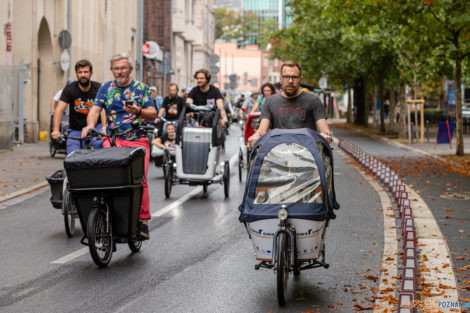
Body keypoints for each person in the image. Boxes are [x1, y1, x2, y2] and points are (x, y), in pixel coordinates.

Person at [82, 53, 157, 240]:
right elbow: (95, 110)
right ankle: (107, 213)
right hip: (113, 139)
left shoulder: (140, 88)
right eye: (116, 68)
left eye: (123, 68)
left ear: (130, 69)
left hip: (137, 140)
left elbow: (153, 113)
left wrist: (138, 111)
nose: (120, 71)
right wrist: (90, 125)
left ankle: (144, 222)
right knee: (107, 177)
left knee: (140, 180)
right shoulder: (106, 88)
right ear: (111, 70)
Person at [248, 61, 332, 147]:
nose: (290, 81)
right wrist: (256, 135)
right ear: (281, 79)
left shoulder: (313, 100)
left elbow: (325, 130)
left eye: (294, 77)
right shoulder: (270, 101)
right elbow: (262, 129)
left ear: (300, 80)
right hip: (277, 153)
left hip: (308, 154)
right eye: (286, 77)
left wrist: (325, 135)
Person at [51, 60, 106, 154]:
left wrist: (104, 128)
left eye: (86, 72)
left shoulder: (98, 88)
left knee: (100, 145)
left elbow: (103, 110)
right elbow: (59, 110)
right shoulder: (69, 89)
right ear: (76, 74)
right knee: (72, 155)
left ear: (91, 73)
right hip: (76, 128)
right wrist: (56, 130)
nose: (83, 75)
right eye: (80, 72)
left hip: (96, 126)